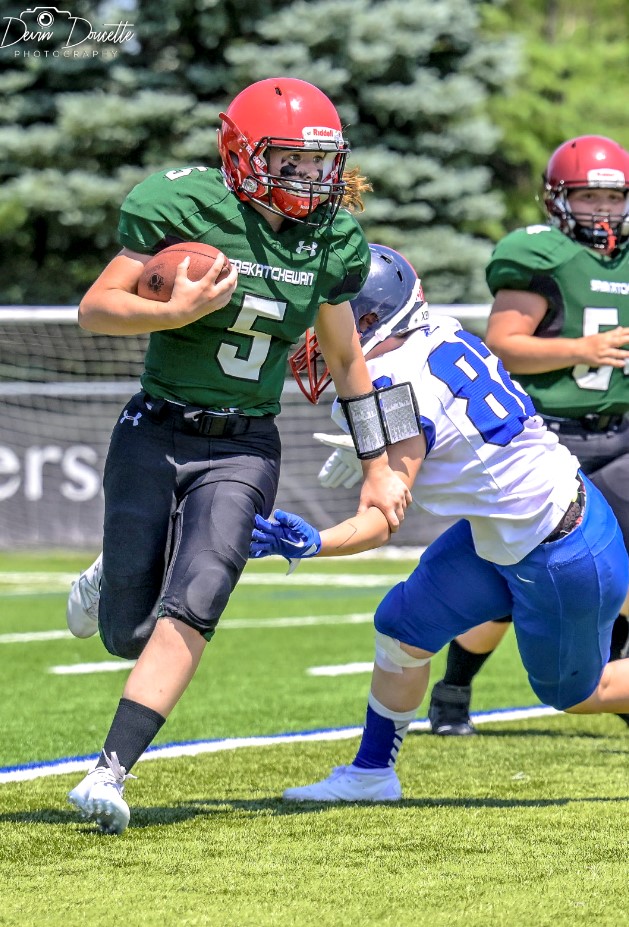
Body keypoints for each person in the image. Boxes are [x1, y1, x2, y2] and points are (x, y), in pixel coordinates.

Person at [65, 77, 411, 834]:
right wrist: (172, 310)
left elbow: (349, 361)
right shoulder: (186, 207)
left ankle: (108, 772)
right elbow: (95, 308)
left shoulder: (329, 242)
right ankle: (109, 575)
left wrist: (380, 462)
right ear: (242, 157)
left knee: (198, 597)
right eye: (289, 163)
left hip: (245, 443)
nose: (311, 182)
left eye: (320, 165)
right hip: (155, 428)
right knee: (128, 630)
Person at [250, 242, 629, 803]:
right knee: (403, 626)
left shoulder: (393, 391)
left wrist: (314, 544)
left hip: (561, 548)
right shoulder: (435, 332)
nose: (310, 328)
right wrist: (369, 443)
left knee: (575, 691)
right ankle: (372, 773)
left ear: (372, 320)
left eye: (326, 314)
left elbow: (381, 520)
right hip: (507, 530)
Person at [425, 134, 629, 736]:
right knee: (508, 587)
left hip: (621, 435)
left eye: (612, 197)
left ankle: (616, 692)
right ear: (557, 200)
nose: (601, 210)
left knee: (615, 574)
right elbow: (505, 347)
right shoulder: (540, 256)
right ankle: (455, 688)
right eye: (587, 196)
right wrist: (581, 349)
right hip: (550, 447)